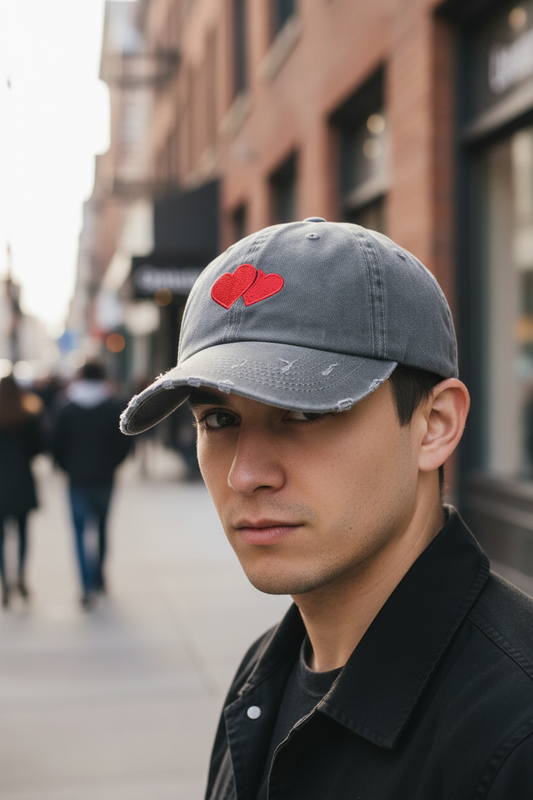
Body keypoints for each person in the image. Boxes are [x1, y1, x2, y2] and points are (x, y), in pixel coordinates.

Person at [120, 219, 533, 798]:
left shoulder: (513, 734)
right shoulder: (262, 677)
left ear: (434, 426)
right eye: (219, 420)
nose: (245, 474)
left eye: (304, 413)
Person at [52, 361, 130, 608]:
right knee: (102, 528)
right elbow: (124, 444)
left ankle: (86, 586)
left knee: (79, 533)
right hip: (104, 478)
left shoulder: (67, 408)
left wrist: (69, 468)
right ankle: (99, 577)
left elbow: (56, 446)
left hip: (77, 480)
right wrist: (111, 465)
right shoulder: (112, 406)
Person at [0, 374, 43, 607]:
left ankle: (5, 583)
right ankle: (21, 577)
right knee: (23, 533)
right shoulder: (26, 416)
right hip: (21, 481)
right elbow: (38, 447)